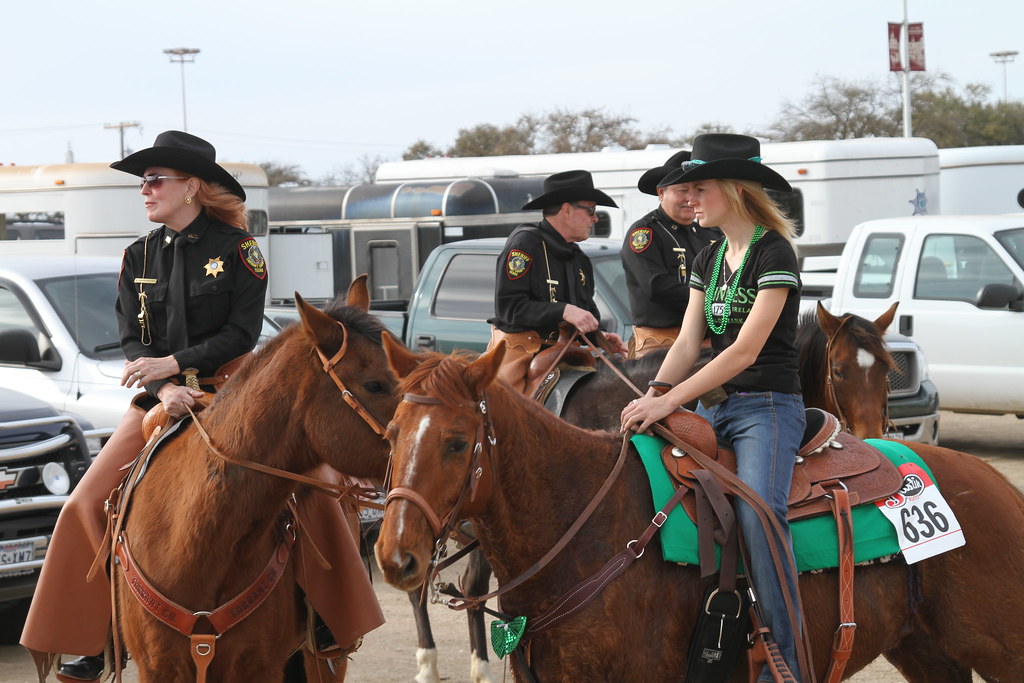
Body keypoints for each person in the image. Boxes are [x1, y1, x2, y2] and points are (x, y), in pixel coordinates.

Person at [20, 131, 383, 681]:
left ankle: (325, 618)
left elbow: (240, 333)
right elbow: (131, 335)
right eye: (142, 181)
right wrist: (162, 385)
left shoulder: (240, 251)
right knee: (84, 506)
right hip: (157, 400)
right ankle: (99, 637)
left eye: (154, 179)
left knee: (315, 499)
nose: (144, 190)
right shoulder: (137, 255)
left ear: (191, 187)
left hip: (235, 391)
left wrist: (176, 365)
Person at [619, 134, 805, 681]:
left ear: (734, 190)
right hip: (712, 408)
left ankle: (785, 662)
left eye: (699, 188)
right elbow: (684, 343)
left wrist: (672, 399)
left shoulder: (774, 251)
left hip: (767, 407)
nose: (689, 197)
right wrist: (653, 397)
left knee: (758, 512)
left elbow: (745, 351)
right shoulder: (710, 254)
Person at [488, 169, 628, 392]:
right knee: (507, 413)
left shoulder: (579, 258)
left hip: (567, 352)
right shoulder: (525, 245)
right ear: (567, 209)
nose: (595, 218)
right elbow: (510, 309)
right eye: (591, 210)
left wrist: (599, 336)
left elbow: (585, 310)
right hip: (523, 352)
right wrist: (564, 311)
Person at [621, 150, 721, 358]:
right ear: (661, 192)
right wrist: (714, 300)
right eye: (682, 190)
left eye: (696, 191)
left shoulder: (710, 232)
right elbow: (656, 286)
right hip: (660, 344)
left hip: (706, 340)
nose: (690, 199)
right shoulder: (645, 233)